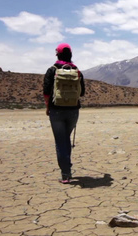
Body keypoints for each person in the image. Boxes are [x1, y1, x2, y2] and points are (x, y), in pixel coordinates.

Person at [43, 43, 86, 183]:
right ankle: (67, 166)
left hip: (56, 110)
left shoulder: (52, 70)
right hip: (73, 110)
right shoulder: (77, 70)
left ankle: (65, 173)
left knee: (61, 141)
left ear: (57, 54)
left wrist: (48, 107)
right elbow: (83, 92)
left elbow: (46, 91)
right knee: (65, 139)